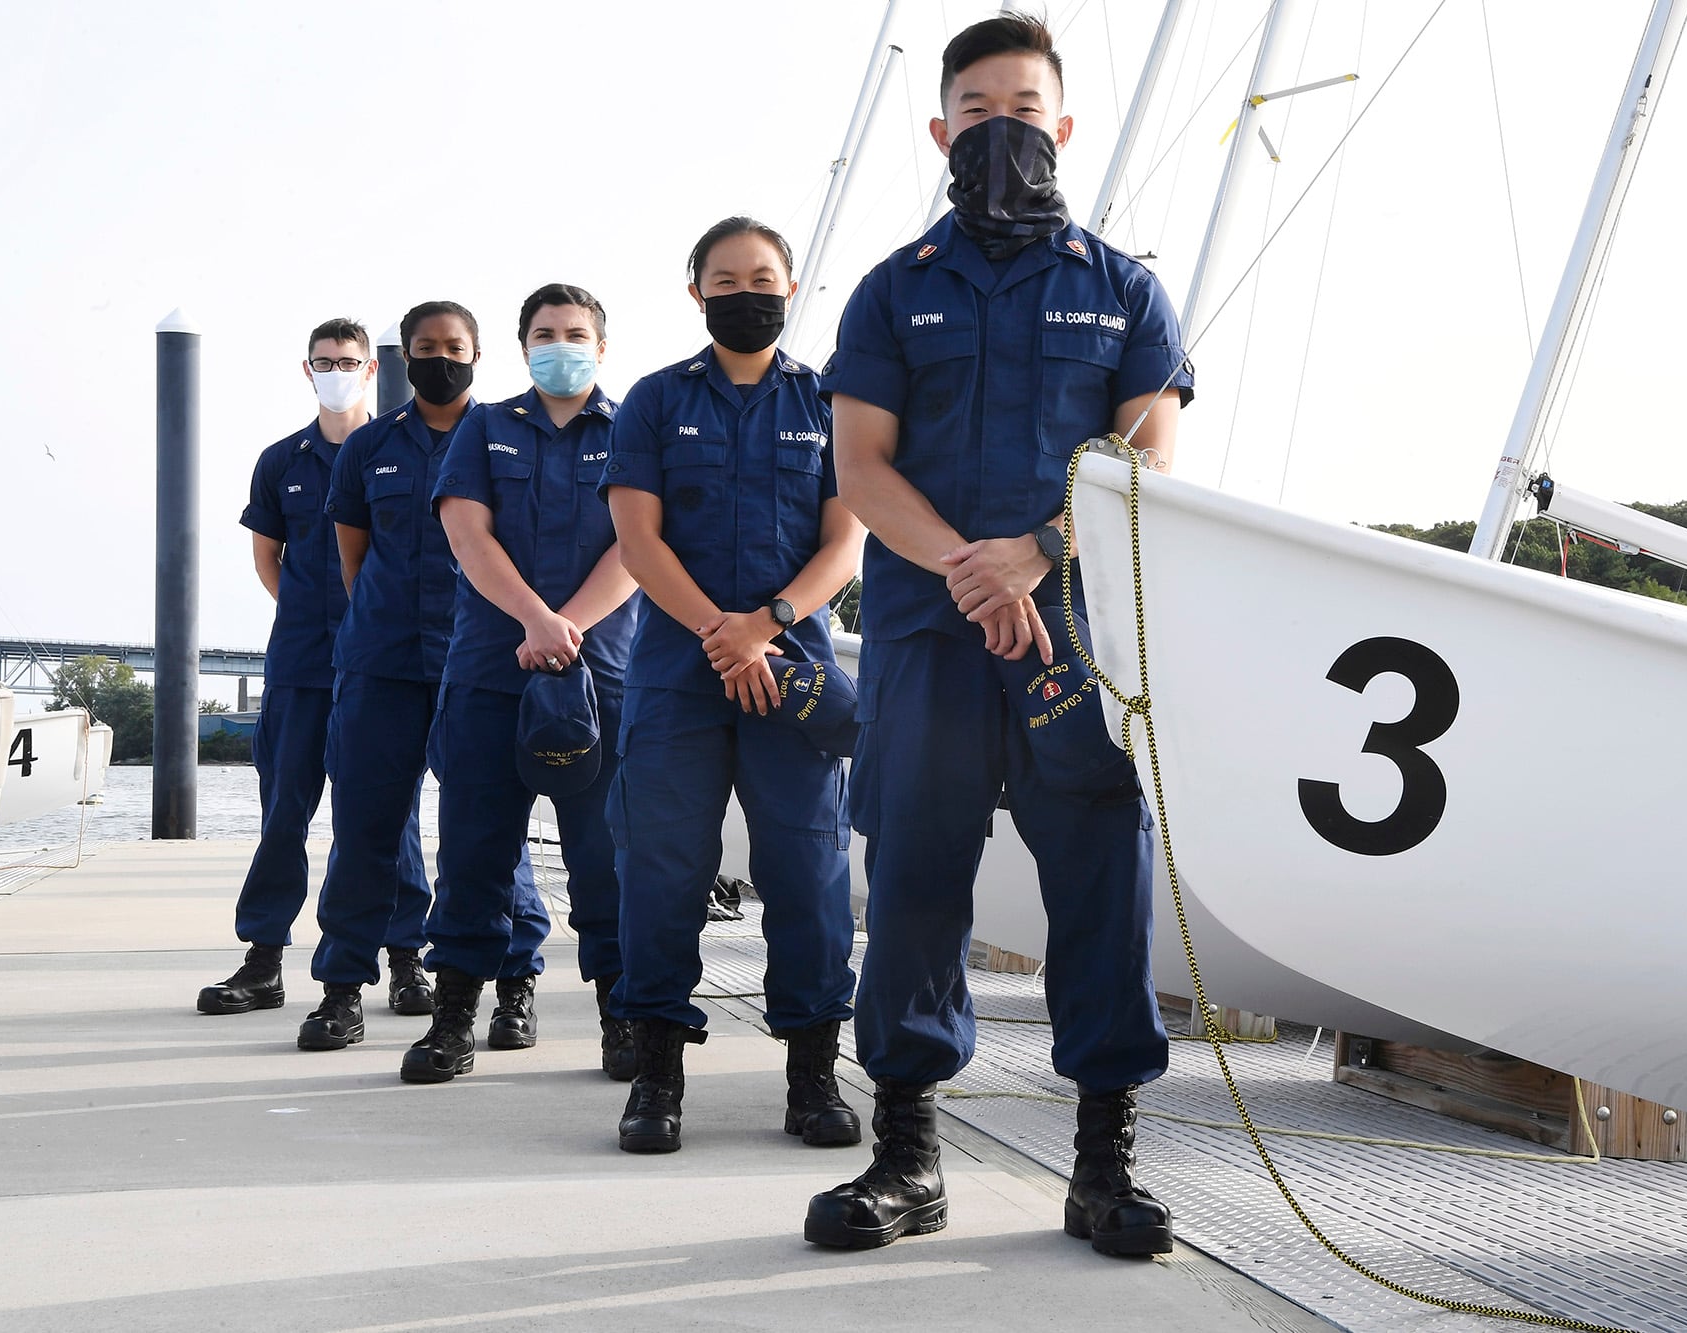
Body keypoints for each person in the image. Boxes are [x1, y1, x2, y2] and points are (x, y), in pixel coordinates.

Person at [803, 13, 1193, 1256]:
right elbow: (861, 469)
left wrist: (1033, 553)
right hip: (927, 636)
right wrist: (970, 573)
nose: (1000, 131)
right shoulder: (889, 292)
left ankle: (1101, 1166)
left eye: (1022, 110)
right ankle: (906, 1158)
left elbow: (1146, 454)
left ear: (1062, 127)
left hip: (1075, 642)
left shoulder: (1122, 286)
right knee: (914, 882)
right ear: (939, 131)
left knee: (1098, 881)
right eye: (976, 113)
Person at [602, 218, 866, 1154]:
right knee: (663, 874)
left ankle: (812, 1075)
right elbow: (639, 542)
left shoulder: (830, 402)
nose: (744, 290)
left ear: (791, 290)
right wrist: (723, 634)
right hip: (679, 674)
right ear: (696, 293)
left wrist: (769, 625)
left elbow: (845, 541)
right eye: (725, 278)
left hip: (792, 674)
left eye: (762, 277)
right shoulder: (652, 401)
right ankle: (658, 1074)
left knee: (809, 873)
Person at [401, 283, 641, 1084]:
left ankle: (623, 1017)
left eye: (576, 332)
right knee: (475, 855)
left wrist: (566, 626)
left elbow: (638, 545)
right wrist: (536, 620)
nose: (560, 344)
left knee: (605, 860)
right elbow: (467, 535)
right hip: (490, 676)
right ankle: (454, 1021)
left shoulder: (633, 429)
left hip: (599, 680)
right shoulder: (484, 428)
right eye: (544, 333)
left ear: (601, 347)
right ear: (522, 345)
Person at [297, 301, 546, 1052]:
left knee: (493, 837)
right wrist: (376, 628)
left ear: (479, 353)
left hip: (480, 665)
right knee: (365, 830)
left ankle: (515, 985)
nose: (441, 357)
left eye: (455, 346)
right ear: (405, 356)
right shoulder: (369, 446)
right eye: (426, 347)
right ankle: (343, 989)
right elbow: (353, 555)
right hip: (384, 663)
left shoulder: (507, 438)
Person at [199, 318, 389, 1016]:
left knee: (382, 819)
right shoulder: (281, 461)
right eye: (324, 361)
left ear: (372, 370)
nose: (336, 370)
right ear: (306, 370)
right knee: (284, 813)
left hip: (380, 667)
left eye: (349, 361)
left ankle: (403, 959)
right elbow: (266, 561)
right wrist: (314, 614)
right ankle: (263, 959)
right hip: (302, 664)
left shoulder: (395, 453)